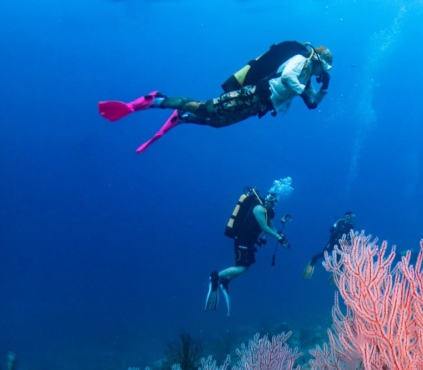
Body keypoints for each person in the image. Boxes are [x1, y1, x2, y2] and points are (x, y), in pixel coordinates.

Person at [98, 42, 333, 153]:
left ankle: (181, 117)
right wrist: (303, 91)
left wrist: (324, 89)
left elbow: (312, 104)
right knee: (208, 108)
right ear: (318, 62)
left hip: (259, 105)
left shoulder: (308, 79)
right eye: (324, 70)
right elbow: (287, 78)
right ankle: (156, 100)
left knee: (218, 122)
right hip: (255, 94)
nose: (323, 73)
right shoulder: (300, 62)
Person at [206, 178, 293, 316]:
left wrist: (281, 238)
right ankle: (216, 276)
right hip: (242, 240)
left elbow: (271, 227)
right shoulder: (259, 208)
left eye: (274, 201)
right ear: (266, 199)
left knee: (246, 267)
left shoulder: (267, 212)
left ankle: (225, 281)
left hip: (249, 242)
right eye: (270, 200)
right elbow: (263, 226)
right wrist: (277, 236)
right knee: (241, 266)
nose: (272, 203)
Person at [302, 211, 356, 280]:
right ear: (346, 216)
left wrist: (349, 244)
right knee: (324, 254)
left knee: (340, 260)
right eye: (349, 216)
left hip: (341, 246)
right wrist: (337, 231)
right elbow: (331, 229)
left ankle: (336, 274)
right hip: (333, 242)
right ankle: (312, 263)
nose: (350, 218)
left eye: (351, 217)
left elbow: (351, 237)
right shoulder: (339, 221)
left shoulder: (351, 226)